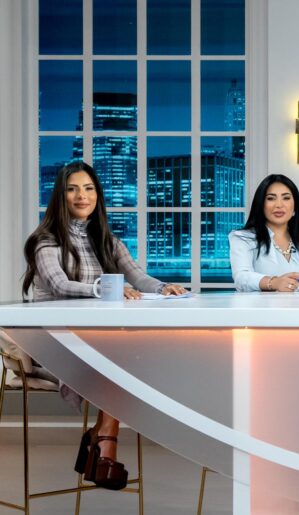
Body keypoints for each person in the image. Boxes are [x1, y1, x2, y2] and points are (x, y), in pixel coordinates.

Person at [21, 161, 188, 490]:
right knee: (119, 359)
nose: (81, 196)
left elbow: (137, 276)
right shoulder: (45, 241)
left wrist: (163, 287)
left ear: (97, 195)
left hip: (95, 339)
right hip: (54, 342)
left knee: (127, 356)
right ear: (60, 197)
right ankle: (104, 438)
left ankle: (103, 434)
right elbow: (59, 285)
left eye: (88, 189)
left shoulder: (107, 240)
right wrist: (106, 288)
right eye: (72, 189)